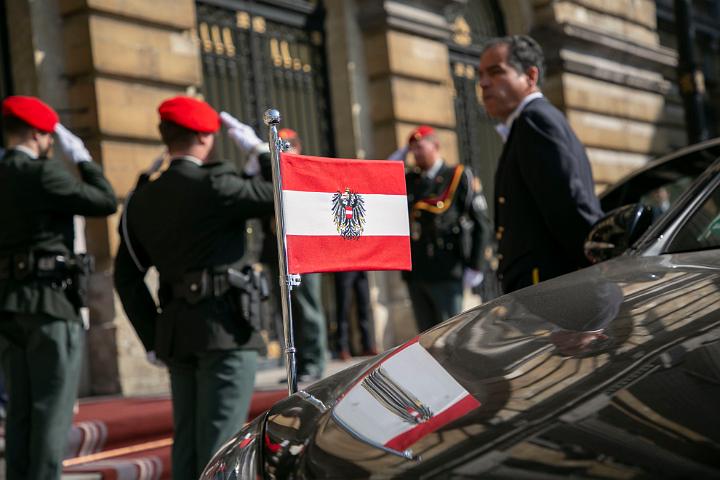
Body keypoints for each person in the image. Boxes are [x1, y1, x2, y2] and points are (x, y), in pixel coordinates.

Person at [113, 97, 274, 479]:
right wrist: (264, 153)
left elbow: (126, 277)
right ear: (205, 137)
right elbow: (282, 191)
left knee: (186, 443)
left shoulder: (142, 197)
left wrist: (153, 337)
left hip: (175, 331)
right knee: (221, 445)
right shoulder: (217, 182)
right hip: (225, 328)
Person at [0, 95, 117, 479]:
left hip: (9, 305)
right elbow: (103, 201)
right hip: (50, 304)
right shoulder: (41, 173)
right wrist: (83, 159)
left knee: (19, 412)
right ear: (38, 134)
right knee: (50, 411)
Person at [478, 35, 603, 293]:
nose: (483, 83)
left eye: (496, 72)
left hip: (552, 295)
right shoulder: (528, 122)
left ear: (530, 76)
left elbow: (570, 207)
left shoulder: (535, 121)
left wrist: (596, 283)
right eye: (481, 75)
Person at [218, 119, 329, 382]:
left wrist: (264, 157)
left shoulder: (304, 172)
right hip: (276, 251)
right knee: (286, 311)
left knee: (307, 309)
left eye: (288, 147)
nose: (284, 152)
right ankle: (297, 364)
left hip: (305, 251)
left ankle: (314, 361)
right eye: (279, 148)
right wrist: (252, 167)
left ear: (299, 149)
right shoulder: (270, 174)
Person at [403, 125, 488, 332]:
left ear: (436, 146)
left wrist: (475, 265)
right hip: (417, 272)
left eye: (420, 147)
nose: (415, 153)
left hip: (448, 269)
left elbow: (481, 224)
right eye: (412, 149)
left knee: (451, 336)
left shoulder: (457, 175)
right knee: (425, 339)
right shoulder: (410, 180)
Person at [334, 270, 375, 360]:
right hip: (344, 266)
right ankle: (342, 348)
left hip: (361, 268)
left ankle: (367, 346)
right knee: (343, 308)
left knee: (364, 307)